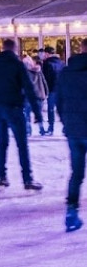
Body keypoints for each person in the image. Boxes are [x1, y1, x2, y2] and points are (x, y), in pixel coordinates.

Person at [0, 38, 43, 190]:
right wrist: (37, 112)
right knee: (22, 144)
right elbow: (29, 88)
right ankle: (27, 179)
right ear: (15, 49)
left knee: (2, 142)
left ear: (2, 48)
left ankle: (1, 176)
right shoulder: (17, 65)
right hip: (13, 108)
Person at [55, 37, 87, 232]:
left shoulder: (66, 73)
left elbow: (59, 101)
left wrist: (67, 122)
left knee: (76, 173)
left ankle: (71, 210)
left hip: (74, 131)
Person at [42, 46, 65, 136]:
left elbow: (45, 78)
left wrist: (45, 90)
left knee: (50, 109)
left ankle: (51, 128)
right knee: (61, 108)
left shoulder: (47, 63)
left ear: (47, 53)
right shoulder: (61, 62)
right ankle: (65, 127)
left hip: (51, 89)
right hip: (61, 89)